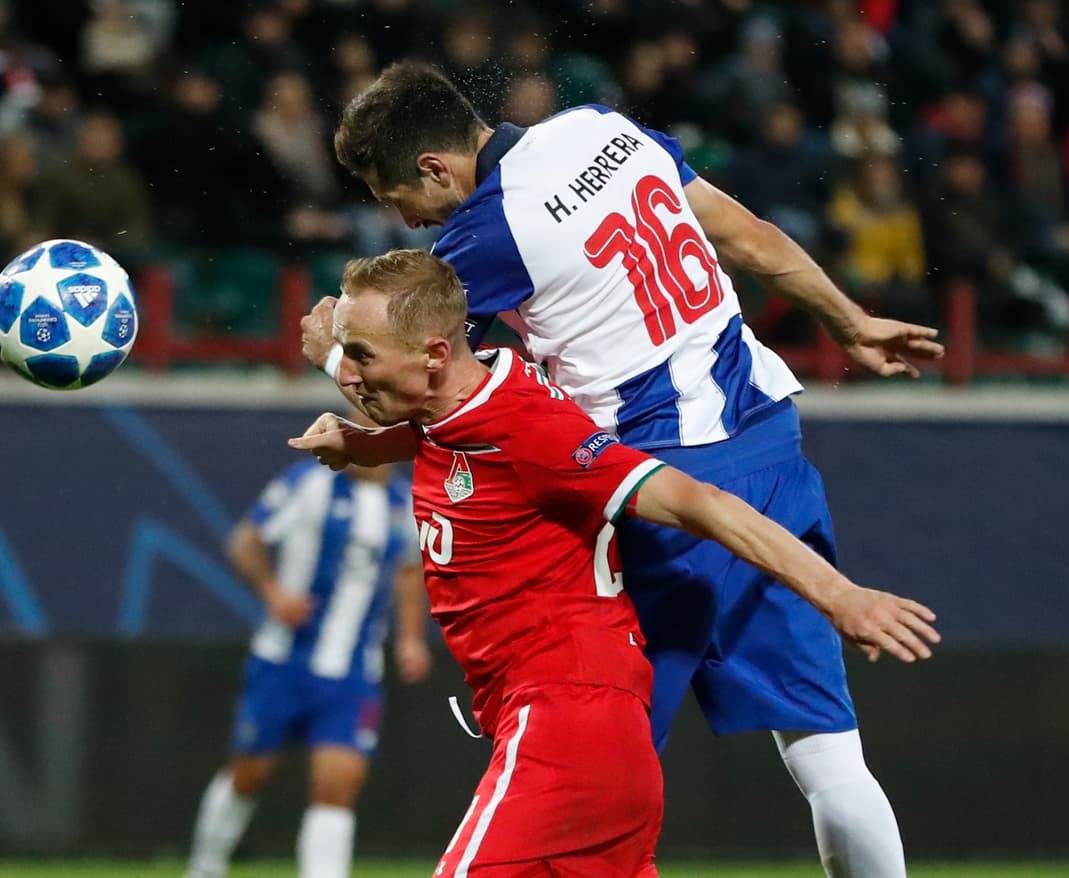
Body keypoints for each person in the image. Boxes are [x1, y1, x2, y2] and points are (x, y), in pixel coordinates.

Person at [302, 62, 947, 878]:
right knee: (826, 753)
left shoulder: (485, 237)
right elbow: (747, 236)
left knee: (587, 743)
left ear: (434, 167)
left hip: (661, 492)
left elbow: (421, 379)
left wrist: (333, 359)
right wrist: (848, 321)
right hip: (769, 447)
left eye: (396, 196)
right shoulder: (601, 129)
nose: (405, 219)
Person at [184, 454, 431, 878]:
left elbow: (410, 571)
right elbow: (245, 539)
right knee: (248, 773)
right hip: (283, 660)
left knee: (337, 790)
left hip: (353, 673)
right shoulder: (310, 482)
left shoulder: (406, 503)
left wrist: (410, 638)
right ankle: (205, 869)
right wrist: (274, 593)